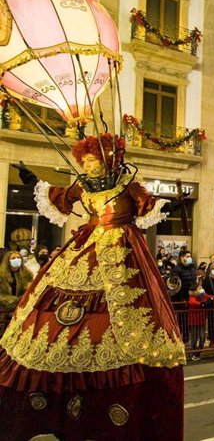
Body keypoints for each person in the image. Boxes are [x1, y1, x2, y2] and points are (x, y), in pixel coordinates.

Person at [0, 134, 185, 440]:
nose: (87, 165)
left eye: (92, 160)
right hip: (84, 248)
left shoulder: (126, 183)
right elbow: (60, 197)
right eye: (84, 161)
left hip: (122, 248)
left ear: (108, 159)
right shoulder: (83, 185)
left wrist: (168, 208)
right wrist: (34, 179)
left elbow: (148, 205)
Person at [0, 251, 34, 336]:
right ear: (7, 261)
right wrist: (14, 300)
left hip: (22, 306)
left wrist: (24, 299)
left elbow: (31, 290)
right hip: (4, 306)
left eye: (19, 258)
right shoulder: (1, 275)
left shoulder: (27, 274)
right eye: (13, 258)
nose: (17, 260)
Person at [187, 284, 214, 361]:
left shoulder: (204, 295)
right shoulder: (192, 296)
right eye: (199, 288)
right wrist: (203, 304)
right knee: (194, 338)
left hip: (202, 320)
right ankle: (193, 353)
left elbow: (213, 297)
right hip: (194, 320)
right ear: (195, 290)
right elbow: (193, 303)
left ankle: (198, 353)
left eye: (201, 287)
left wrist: (211, 299)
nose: (202, 289)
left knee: (202, 338)